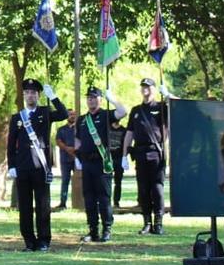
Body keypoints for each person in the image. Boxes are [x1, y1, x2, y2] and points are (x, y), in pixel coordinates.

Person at [6, 79, 69, 252]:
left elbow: (64, 114)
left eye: (33, 92)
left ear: (39, 95)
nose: (30, 95)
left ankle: (43, 241)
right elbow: (11, 144)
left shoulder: (45, 112)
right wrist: (12, 165)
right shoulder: (17, 118)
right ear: (24, 95)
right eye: (27, 92)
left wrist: (54, 97)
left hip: (41, 167)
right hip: (23, 167)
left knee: (43, 206)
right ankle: (29, 241)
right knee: (24, 207)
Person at [74, 86, 127, 242]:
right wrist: (77, 156)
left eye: (94, 97)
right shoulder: (82, 120)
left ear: (100, 99)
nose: (90, 99)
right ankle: (93, 230)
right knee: (89, 199)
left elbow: (122, 112)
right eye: (88, 97)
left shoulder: (105, 115)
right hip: (87, 163)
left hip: (102, 163)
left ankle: (107, 229)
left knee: (104, 198)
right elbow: (77, 139)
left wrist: (113, 99)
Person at [122, 77, 172, 235]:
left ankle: (158, 222)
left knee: (157, 189)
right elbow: (129, 133)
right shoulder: (136, 110)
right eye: (143, 86)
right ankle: (147, 222)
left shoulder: (162, 107)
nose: (145, 89)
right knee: (143, 190)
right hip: (140, 152)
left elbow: (180, 106)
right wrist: (124, 154)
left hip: (156, 152)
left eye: (148, 86)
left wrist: (169, 95)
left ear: (154, 89)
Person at [54, 110, 79, 211]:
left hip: (77, 159)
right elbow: (58, 141)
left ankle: (81, 202)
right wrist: (67, 149)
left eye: (74, 114)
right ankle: (63, 203)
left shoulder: (79, 128)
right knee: (65, 181)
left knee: (81, 181)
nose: (72, 116)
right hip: (65, 159)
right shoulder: (61, 129)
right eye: (70, 114)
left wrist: (75, 151)